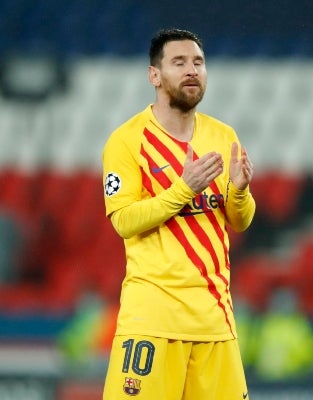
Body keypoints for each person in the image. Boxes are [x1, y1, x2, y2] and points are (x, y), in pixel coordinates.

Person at [101, 28, 256, 400]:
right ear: (154, 75)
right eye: (179, 62)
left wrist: (240, 190)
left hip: (215, 320)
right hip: (152, 321)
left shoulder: (223, 135)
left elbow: (239, 220)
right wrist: (183, 189)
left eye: (198, 62)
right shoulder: (127, 141)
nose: (192, 70)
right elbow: (124, 220)